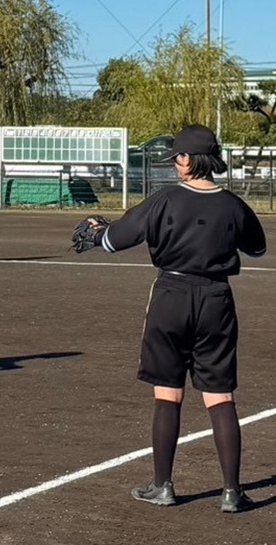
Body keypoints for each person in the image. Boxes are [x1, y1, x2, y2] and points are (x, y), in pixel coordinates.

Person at [76, 125, 266, 513]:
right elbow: (258, 247)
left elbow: (115, 240)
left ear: (186, 160)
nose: (175, 163)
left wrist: (97, 233)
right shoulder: (232, 204)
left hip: (171, 296)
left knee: (168, 391)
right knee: (220, 394)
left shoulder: (165, 200)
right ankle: (231, 491)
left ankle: (163, 485)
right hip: (216, 299)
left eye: (177, 156)